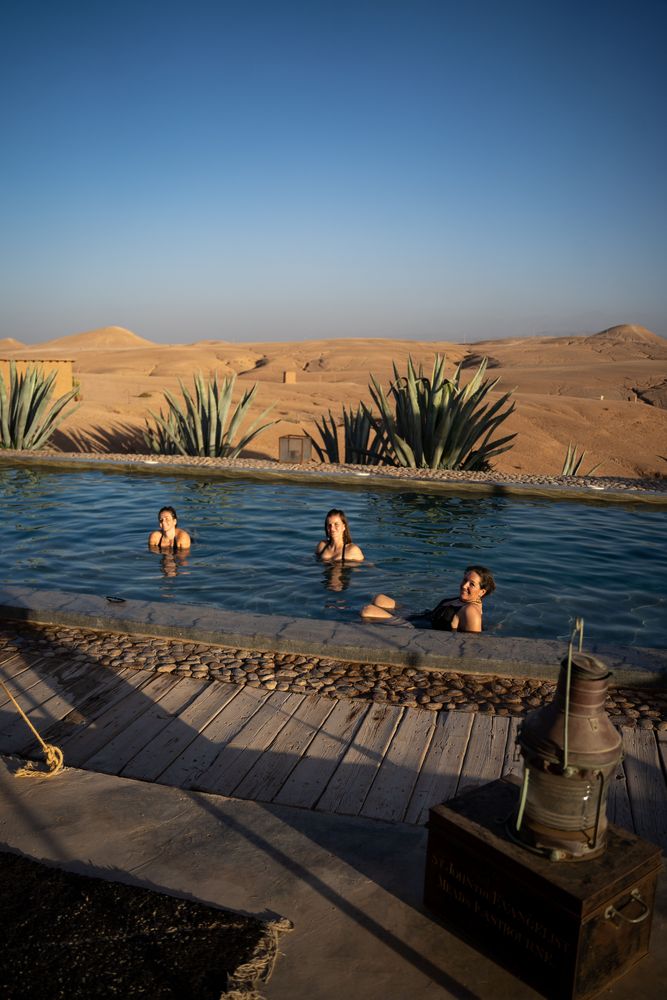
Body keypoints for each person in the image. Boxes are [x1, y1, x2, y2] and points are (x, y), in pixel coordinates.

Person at [360, 565, 495, 633]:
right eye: (465, 580)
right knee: (379, 599)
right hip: (422, 616)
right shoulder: (465, 599)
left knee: (367, 610)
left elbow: (472, 643)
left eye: (471, 584)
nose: (464, 585)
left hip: (420, 628)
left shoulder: (471, 610)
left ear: (482, 592)